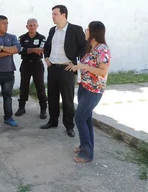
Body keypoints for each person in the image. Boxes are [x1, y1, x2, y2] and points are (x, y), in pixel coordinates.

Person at [40, 5, 86, 138]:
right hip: (53, 68)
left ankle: (69, 126)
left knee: (67, 99)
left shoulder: (75, 30)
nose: (52, 16)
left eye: (55, 14)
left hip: (67, 69)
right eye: (52, 14)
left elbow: (83, 48)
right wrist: (46, 57)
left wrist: (76, 63)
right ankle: (53, 121)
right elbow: (47, 46)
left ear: (63, 15)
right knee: (52, 97)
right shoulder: (52, 30)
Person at [70, 21, 111, 163]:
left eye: (87, 30)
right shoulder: (92, 49)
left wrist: (83, 66)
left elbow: (103, 71)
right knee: (85, 118)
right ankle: (85, 146)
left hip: (93, 90)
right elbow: (86, 66)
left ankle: (87, 154)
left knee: (79, 118)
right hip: (84, 87)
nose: (85, 32)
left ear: (94, 32)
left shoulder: (102, 49)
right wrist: (78, 67)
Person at [15, 18, 48, 119]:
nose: (32, 27)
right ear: (27, 26)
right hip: (25, 64)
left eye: (34, 25)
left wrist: (27, 50)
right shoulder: (21, 38)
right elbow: (19, 50)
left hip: (37, 64)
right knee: (23, 86)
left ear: (37, 26)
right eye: (30, 25)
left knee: (40, 86)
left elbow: (41, 50)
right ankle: (22, 107)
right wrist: (33, 49)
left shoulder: (42, 38)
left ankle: (43, 109)